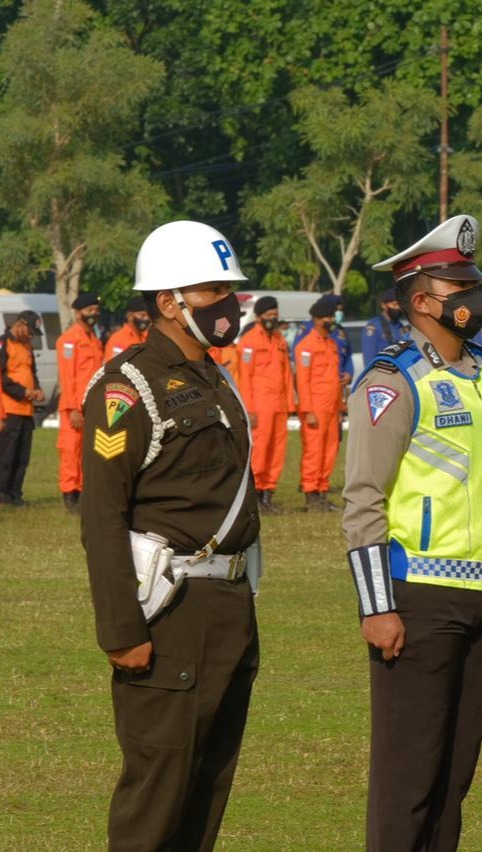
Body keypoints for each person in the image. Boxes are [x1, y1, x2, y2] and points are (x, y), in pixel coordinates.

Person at [81, 219, 260, 850]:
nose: (227, 304)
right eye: (212, 291)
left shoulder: (217, 377)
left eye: (227, 289)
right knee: (156, 797)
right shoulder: (125, 389)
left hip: (229, 608)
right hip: (168, 615)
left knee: (207, 793)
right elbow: (102, 518)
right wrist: (122, 629)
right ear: (168, 302)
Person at [343, 214, 482, 852]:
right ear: (421, 301)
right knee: (407, 778)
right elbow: (362, 499)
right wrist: (376, 606)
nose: (476, 301)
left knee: (454, 779)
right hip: (418, 599)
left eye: (475, 285)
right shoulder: (393, 382)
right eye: (460, 290)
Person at [238, 295, 295, 514]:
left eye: (275, 315)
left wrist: (290, 404)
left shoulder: (280, 341)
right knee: (260, 451)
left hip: (279, 405)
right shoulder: (249, 342)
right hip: (259, 406)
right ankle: (255, 496)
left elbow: (287, 374)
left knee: (277, 451)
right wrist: (249, 409)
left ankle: (268, 495)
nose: (273, 319)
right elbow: (244, 376)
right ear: (259, 316)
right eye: (269, 315)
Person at [55, 292, 105, 511]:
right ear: (78, 313)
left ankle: (84, 491)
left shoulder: (94, 339)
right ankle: (70, 494)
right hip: (74, 408)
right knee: (71, 450)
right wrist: (73, 408)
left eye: (96, 310)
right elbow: (67, 377)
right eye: (89, 310)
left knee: (88, 451)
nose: (93, 314)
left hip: (92, 405)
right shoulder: (68, 340)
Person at [295, 296, 342, 512]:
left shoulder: (331, 344)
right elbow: (302, 380)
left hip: (332, 407)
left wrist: (340, 406)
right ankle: (311, 495)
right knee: (314, 451)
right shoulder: (306, 347)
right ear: (316, 319)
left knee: (329, 450)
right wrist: (308, 410)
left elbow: (334, 378)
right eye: (327, 317)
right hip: (315, 407)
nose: (331, 320)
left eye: (333, 316)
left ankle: (323, 492)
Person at [0, 310, 45, 506]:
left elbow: (32, 372)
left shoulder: (27, 345)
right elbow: (3, 378)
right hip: (10, 408)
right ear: (21, 325)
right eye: (30, 331)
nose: (31, 336)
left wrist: (37, 388)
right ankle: (2, 493)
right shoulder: (4, 343)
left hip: (27, 409)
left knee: (22, 456)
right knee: (7, 456)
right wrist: (23, 392)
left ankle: (16, 494)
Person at [360, 286, 408, 366]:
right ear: (384, 305)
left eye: (400, 305)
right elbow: (369, 360)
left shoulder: (401, 327)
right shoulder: (374, 327)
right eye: (394, 304)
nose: (398, 308)